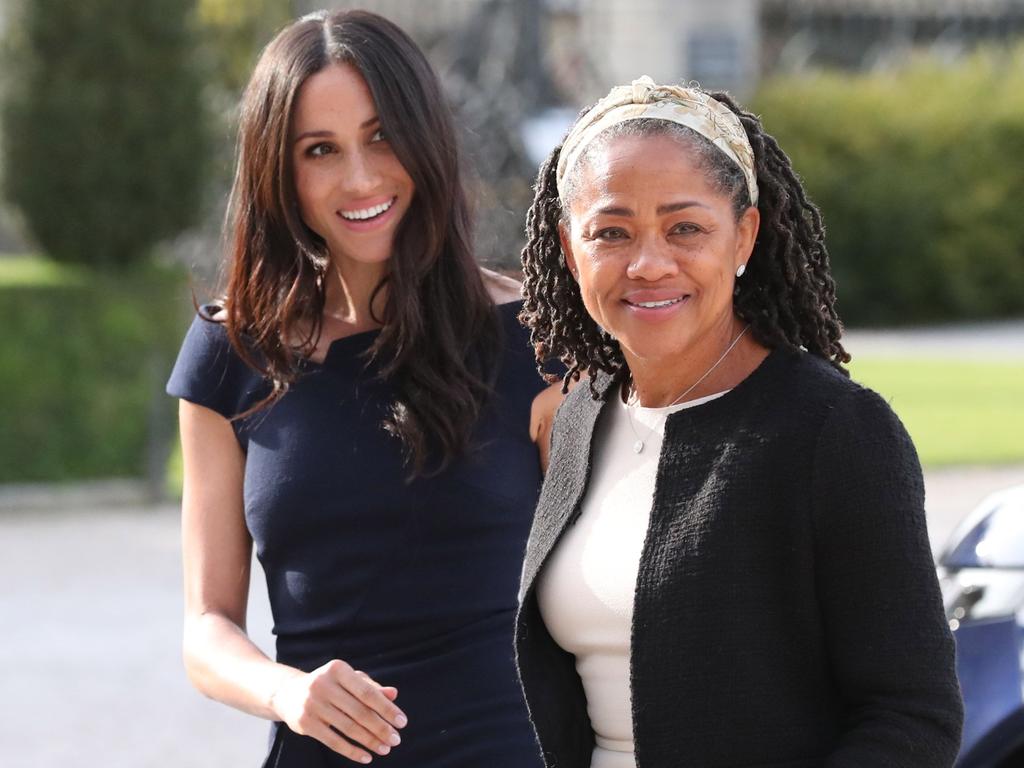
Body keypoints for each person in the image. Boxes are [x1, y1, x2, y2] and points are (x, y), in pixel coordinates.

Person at [515, 76, 963, 768]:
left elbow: (912, 716)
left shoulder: (833, 431)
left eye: (685, 227)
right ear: (572, 251)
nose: (649, 262)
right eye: (611, 232)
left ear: (744, 236)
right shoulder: (581, 416)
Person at [166, 10, 555, 767]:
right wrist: (285, 691)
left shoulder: (537, 341)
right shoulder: (231, 352)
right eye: (320, 150)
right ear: (281, 172)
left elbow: (613, 599)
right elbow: (206, 626)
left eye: (381, 136)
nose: (360, 177)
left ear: (427, 137)